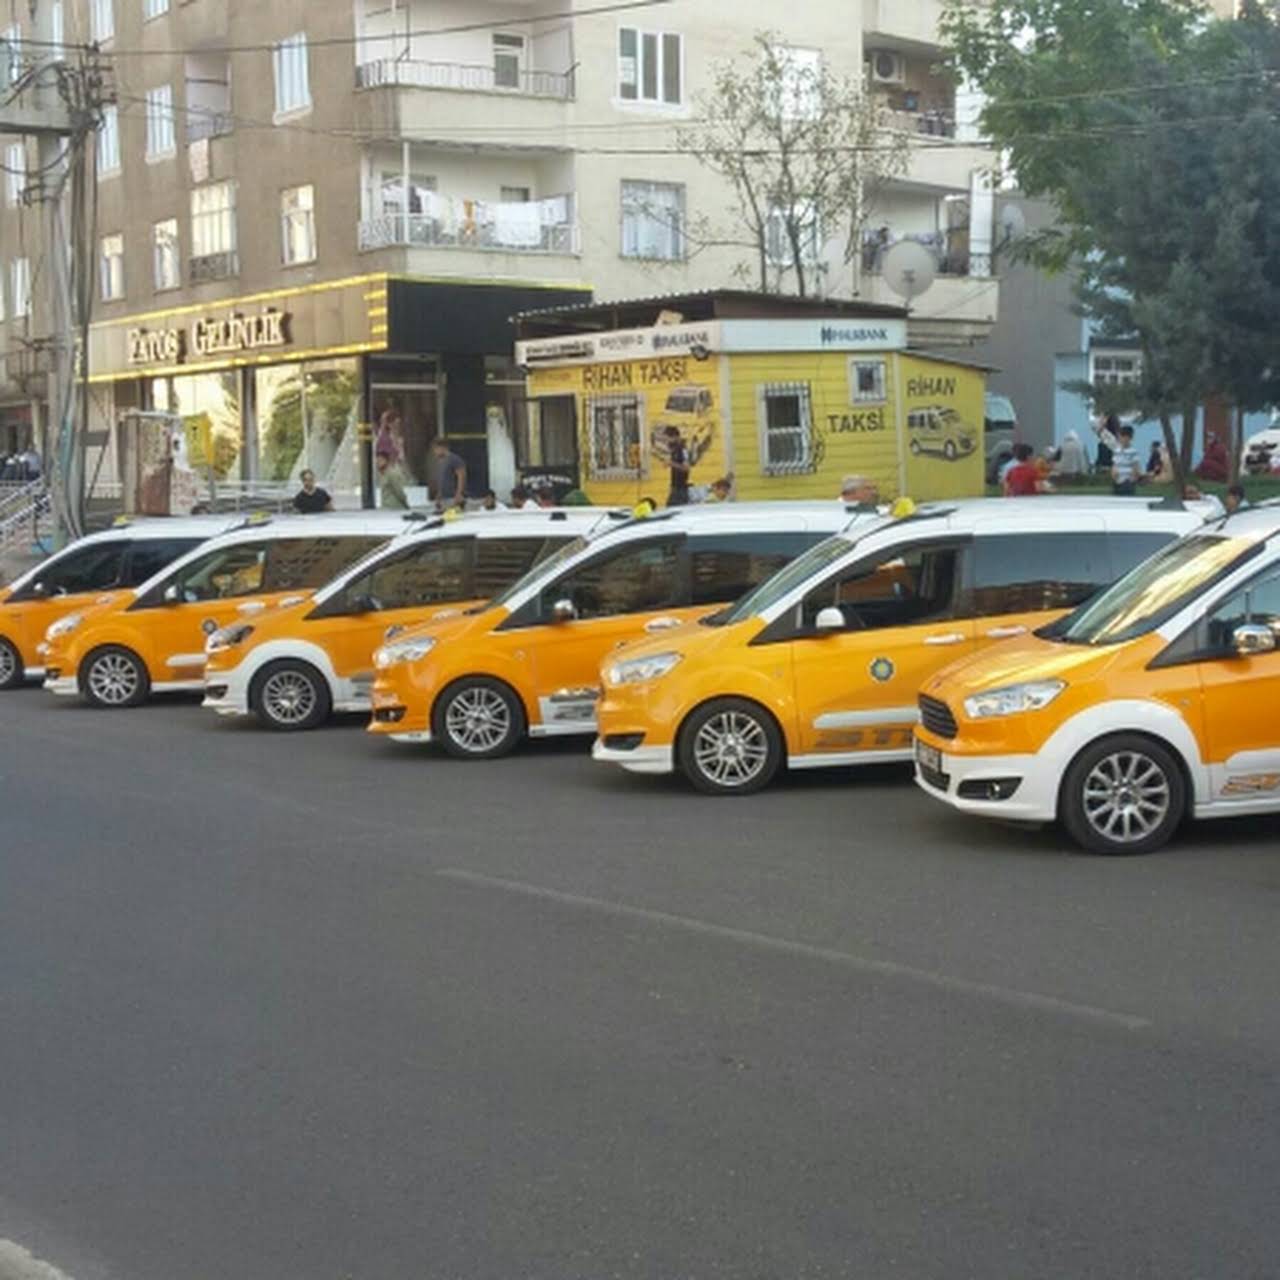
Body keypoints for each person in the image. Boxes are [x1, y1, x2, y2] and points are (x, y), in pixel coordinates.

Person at [1092, 415, 1142, 494]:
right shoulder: (1117, 451)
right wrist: (1114, 475)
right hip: (1118, 482)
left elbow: (1136, 467)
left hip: (1128, 482)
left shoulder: (1133, 452)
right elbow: (1115, 465)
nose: (1123, 439)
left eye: (1125, 437)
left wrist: (1132, 480)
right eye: (1122, 437)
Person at [430, 437, 467, 509]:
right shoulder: (440, 462)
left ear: (442, 448)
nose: (434, 452)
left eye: (435, 449)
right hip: (444, 498)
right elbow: (442, 480)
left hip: (453, 497)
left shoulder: (454, 459)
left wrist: (459, 494)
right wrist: (439, 495)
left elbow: (462, 476)